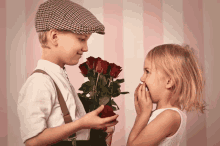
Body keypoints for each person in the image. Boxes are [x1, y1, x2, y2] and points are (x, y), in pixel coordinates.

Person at [17, 0, 118, 146]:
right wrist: (81, 124)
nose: (85, 48)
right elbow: (33, 141)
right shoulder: (40, 82)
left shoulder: (58, 77)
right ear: (54, 37)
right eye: (81, 39)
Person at [127, 44, 206, 146]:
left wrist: (142, 115)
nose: (142, 78)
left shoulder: (170, 116)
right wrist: (141, 114)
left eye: (147, 72)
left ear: (169, 81)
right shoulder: (160, 114)